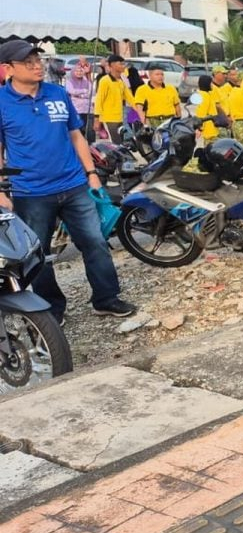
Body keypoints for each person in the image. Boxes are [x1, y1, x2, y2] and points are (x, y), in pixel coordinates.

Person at [0, 40, 136, 322]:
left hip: (74, 184)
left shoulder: (57, 93)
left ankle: (106, 298)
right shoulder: (2, 102)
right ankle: (52, 309)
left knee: (95, 242)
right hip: (30, 192)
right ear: (8, 68)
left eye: (38, 60)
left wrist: (91, 174)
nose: (37, 66)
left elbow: (76, 136)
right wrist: (1, 192)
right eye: (28, 62)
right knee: (38, 254)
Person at [94, 54, 135, 144]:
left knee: (121, 143)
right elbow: (99, 100)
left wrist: (140, 110)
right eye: (120, 64)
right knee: (115, 143)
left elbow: (130, 99)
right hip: (109, 119)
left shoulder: (120, 82)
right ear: (112, 65)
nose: (123, 66)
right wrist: (97, 118)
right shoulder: (105, 81)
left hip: (119, 118)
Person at [64, 61, 96, 141]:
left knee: (89, 130)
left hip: (88, 110)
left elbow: (92, 92)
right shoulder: (70, 82)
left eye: (81, 71)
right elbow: (71, 91)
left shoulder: (86, 81)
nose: (79, 73)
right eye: (77, 71)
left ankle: (90, 145)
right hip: (77, 110)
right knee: (79, 130)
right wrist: (84, 91)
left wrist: (79, 95)